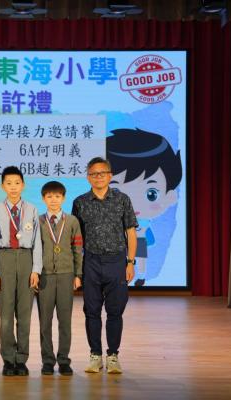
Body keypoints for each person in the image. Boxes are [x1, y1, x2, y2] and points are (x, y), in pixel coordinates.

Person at [72, 157, 137, 374]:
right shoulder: (80, 202)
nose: (98, 177)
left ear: (110, 175)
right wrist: (77, 269)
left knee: (115, 311)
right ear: (88, 177)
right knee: (91, 311)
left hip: (116, 261)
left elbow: (131, 233)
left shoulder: (122, 200)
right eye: (93, 174)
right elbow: (76, 239)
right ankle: (95, 355)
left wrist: (130, 262)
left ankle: (113, 356)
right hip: (90, 262)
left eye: (102, 173)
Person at [107, 128, 182, 286]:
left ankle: (141, 276)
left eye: (151, 194)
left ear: (170, 196)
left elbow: (143, 230)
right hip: (119, 243)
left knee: (140, 258)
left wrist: (137, 231)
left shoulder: (143, 220)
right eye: (117, 191)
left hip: (140, 241)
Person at [0, 166, 42, 376]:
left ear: (23, 185)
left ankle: (22, 359)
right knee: (6, 316)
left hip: (27, 258)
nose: (13, 187)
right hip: (5, 258)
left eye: (17, 183)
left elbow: (37, 242)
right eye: (8, 183)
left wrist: (36, 269)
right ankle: (8, 360)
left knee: (25, 315)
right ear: (2, 186)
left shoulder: (32, 210)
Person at [37, 181, 83, 376]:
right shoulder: (38, 221)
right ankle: (47, 360)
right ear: (43, 199)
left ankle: (64, 360)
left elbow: (77, 249)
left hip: (66, 275)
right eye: (49, 196)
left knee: (65, 320)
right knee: (44, 321)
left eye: (57, 196)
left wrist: (78, 274)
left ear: (63, 198)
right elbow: (34, 250)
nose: (53, 200)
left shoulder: (72, 221)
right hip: (45, 276)